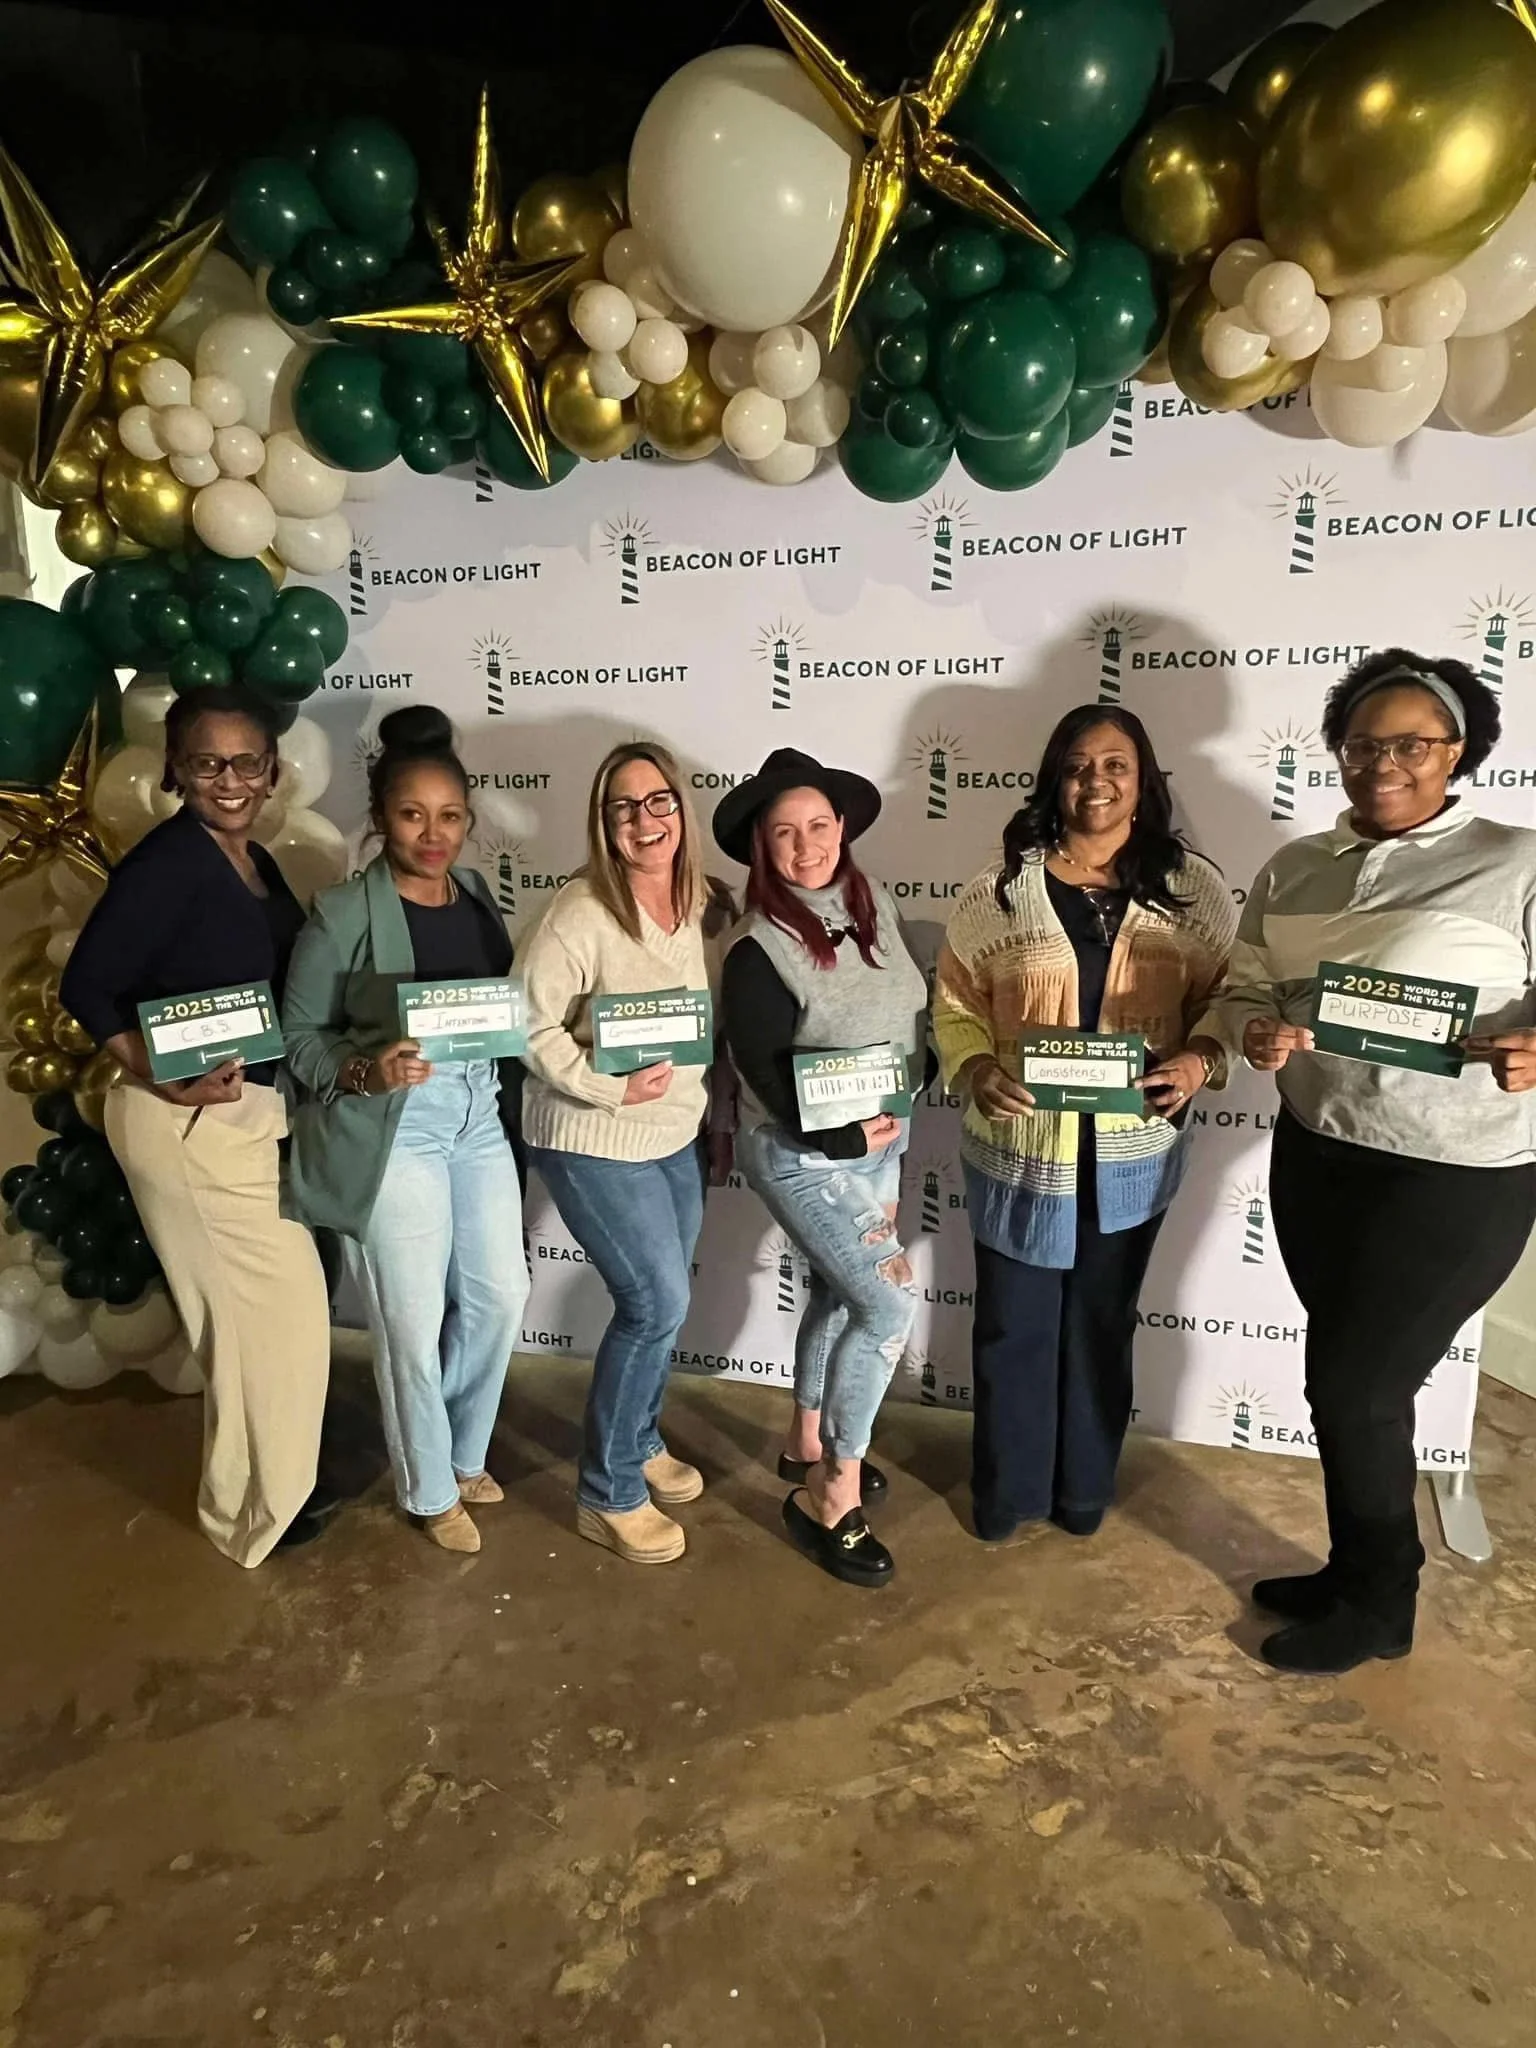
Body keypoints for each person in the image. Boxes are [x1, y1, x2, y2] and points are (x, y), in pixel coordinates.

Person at [1200, 650, 1536, 1674]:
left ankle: (1384, 1603)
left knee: (1358, 1387)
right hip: (1320, 1155)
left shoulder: (1519, 860)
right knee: (1341, 1380)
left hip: (1456, 1173)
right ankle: (1352, 1568)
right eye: (1361, 743)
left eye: (1410, 743)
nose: (1381, 762)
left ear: (1460, 749)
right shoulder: (1294, 868)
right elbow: (1244, 984)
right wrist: (1253, 1028)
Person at [933, 705, 1237, 1547]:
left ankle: (1081, 1494)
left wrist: (1202, 1058)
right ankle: (1008, 1495)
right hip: (1021, 1151)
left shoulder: (1191, 889)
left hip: (1132, 1151)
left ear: (1143, 780)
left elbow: (1227, 1001)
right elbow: (955, 1006)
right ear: (1053, 780)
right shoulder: (1000, 891)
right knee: (1012, 1326)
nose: (1094, 780)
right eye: (1076, 765)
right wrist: (975, 1068)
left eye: (1115, 764)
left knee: (1101, 1325)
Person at [59, 685, 332, 1567]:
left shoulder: (251, 860)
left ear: (271, 769)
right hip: (186, 1127)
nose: (229, 779)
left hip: (244, 1118)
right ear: (177, 769)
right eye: (207, 762)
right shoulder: (169, 863)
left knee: (253, 1325)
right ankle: (258, 1509)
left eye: (246, 761)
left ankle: (257, 1491)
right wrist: (153, 1070)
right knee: (276, 1318)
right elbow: (86, 986)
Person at [282, 706, 529, 1555]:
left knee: (502, 1298)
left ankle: (460, 1451)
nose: (433, 834)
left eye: (450, 815)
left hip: (476, 1112)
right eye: (411, 814)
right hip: (393, 1126)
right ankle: (428, 1488)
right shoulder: (343, 911)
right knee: (410, 1320)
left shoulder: (476, 894)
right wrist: (364, 1069)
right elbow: (298, 1037)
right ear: (381, 817)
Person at [715, 749, 928, 1588]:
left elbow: (908, 1016)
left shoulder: (878, 910)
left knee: (844, 1294)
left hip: (883, 1140)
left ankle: (807, 1434)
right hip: (804, 1154)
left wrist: (928, 1069)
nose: (805, 846)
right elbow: (761, 1069)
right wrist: (838, 1140)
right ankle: (830, 1491)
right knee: (887, 1298)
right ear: (762, 849)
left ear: (842, 828)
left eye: (817, 826)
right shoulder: (757, 946)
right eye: (783, 834)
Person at [519, 742, 734, 1567]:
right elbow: (526, 1024)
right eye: (624, 808)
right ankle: (607, 1491)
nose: (645, 821)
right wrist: (607, 1090)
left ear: (681, 810)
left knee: (665, 1306)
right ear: (602, 825)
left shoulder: (702, 902)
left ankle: (639, 1437)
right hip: (589, 1136)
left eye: (658, 803)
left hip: (674, 1133)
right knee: (652, 1305)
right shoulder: (578, 913)